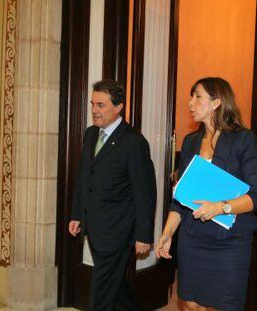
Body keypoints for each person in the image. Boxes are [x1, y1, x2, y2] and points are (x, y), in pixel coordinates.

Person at [155, 77, 257, 311]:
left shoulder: (243, 140)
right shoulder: (190, 141)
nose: (190, 103)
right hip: (192, 237)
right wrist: (167, 233)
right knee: (191, 304)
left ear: (216, 102)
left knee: (221, 306)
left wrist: (220, 207)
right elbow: (181, 198)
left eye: (197, 96)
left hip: (230, 241)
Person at [69, 79, 156, 311]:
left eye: (101, 105)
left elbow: (144, 192)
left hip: (117, 229)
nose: (94, 110)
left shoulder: (134, 143)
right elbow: (84, 178)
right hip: (94, 226)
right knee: (115, 285)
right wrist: (77, 213)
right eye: (93, 104)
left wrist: (144, 235)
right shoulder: (90, 134)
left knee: (102, 290)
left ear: (118, 107)